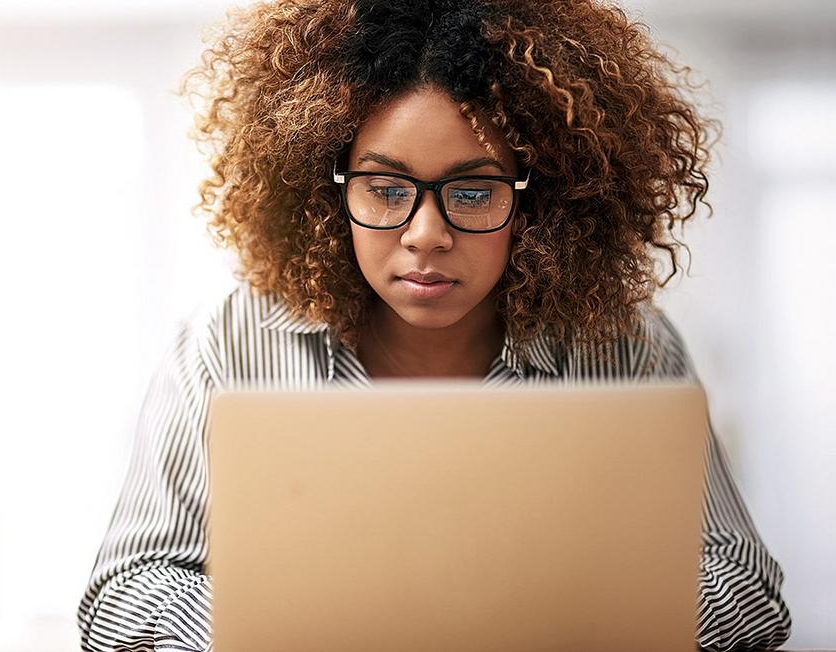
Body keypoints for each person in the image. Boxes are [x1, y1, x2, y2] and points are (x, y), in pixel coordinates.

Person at [76, 0, 793, 650]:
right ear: (327, 190)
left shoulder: (625, 343)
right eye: (386, 189)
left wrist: (548, 624)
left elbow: (742, 585)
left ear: (540, 203)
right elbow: (125, 590)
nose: (424, 234)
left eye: (473, 190)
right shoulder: (228, 340)